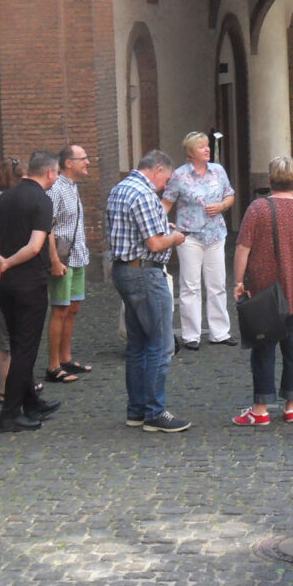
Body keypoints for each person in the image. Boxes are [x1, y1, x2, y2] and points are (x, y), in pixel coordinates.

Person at [231, 156, 293, 426]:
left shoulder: (258, 209)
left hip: (264, 292)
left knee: (263, 349)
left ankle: (260, 409)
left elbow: (242, 248)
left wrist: (238, 281)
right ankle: (291, 406)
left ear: (269, 181)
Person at [106, 149, 190, 433]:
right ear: (157, 171)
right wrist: (175, 237)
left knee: (138, 345)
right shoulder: (144, 195)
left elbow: (131, 230)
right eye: (165, 179)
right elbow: (154, 244)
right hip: (145, 274)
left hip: (123, 270)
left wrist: (161, 227)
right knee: (160, 345)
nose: (165, 186)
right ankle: (155, 412)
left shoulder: (120, 189)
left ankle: (137, 410)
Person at [0, 150, 63, 433]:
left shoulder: (4, 197)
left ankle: (31, 402)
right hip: (29, 283)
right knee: (25, 348)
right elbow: (34, 247)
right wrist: (6, 262)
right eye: (57, 174)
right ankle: (10, 414)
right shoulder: (42, 200)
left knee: (18, 342)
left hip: (3, 285)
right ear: (51, 173)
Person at [162, 131, 237, 349]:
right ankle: (191, 335)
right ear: (190, 153)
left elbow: (229, 195)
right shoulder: (179, 175)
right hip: (189, 236)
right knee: (190, 285)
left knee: (217, 284)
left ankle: (220, 332)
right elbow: (167, 202)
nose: (207, 149)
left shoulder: (218, 171)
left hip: (215, 234)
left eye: (207, 146)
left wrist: (222, 206)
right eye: (202, 146)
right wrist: (159, 224)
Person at [44, 144, 93, 384]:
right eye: (83, 158)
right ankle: (53, 365)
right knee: (60, 309)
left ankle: (65, 358)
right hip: (62, 259)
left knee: (72, 309)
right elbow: (47, 228)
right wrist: (54, 260)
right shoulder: (55, 190)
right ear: (68, 163)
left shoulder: (72, 187)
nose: (88, 162)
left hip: (77, 256)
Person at [0, 156, 25, 402]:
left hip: (11, 270)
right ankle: (6, 387)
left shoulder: (6, 202)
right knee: (7, 333)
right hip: (6, 272)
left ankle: (18, 382)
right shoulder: (1, 205)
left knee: (18, 331)